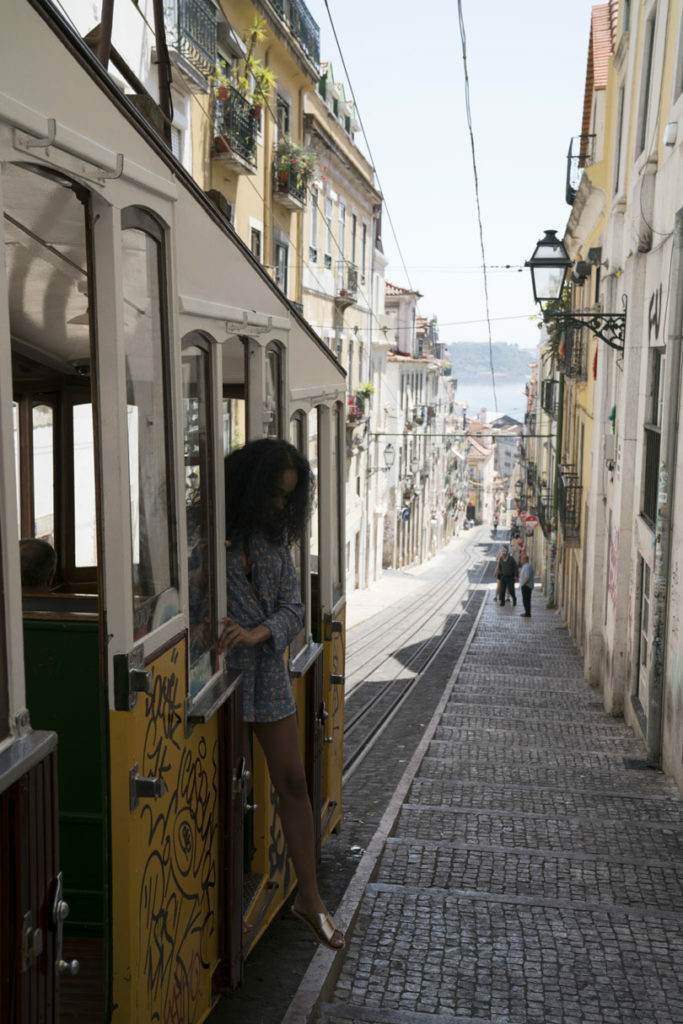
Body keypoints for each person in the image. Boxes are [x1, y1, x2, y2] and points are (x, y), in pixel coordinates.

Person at [218, 438, 344, 951]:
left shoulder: (275, 541)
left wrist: (259, 632)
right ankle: (224, 911)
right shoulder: (206, 531)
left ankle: (308, 899)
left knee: (293, 782)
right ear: (249, 485)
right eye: (273, 493)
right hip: (217, 680)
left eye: (287, 498)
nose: (278, 506)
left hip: (266, 673)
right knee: (231, 796)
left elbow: (295, 608)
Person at [519, 553, 534, 618]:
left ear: (525, 560)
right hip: (526, 586)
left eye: (521, 559)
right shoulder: (526, 566)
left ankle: (527, 613)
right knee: (526, 600)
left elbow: (527, 578)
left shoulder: (527, 567)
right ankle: (527, 612)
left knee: (526, 600)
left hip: (526, 586)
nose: (520, 560)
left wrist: (523, 584)